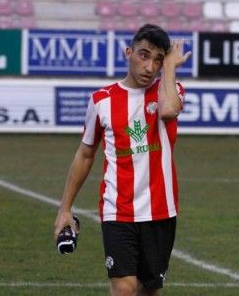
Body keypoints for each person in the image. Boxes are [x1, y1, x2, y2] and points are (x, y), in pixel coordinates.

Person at [54, 24, 191, 296]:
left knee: (148, 290)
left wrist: (171, 67)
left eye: (158, 60)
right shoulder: (101, 100)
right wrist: (65, 208)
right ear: (128, 52)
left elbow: (167, 111)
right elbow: (85, 154)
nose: (149, 67)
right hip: (118, 209)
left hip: (161, 210)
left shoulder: (171, 89)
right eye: (143, 55)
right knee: (124, 288)